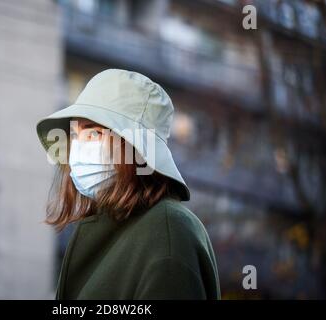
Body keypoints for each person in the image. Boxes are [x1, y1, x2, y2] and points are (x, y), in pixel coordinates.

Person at [36, 69, 221, 299]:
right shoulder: (108, 227)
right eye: (75, 135)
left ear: (137, 150)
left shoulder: (169, 233)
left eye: (93, 133)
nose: (78, 148)